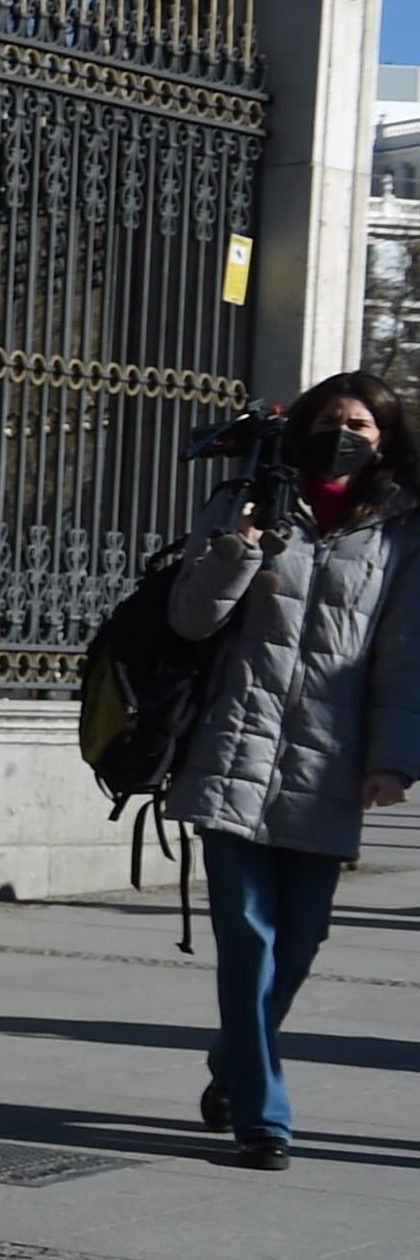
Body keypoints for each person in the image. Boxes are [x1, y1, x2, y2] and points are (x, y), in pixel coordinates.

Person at [160, 370, 420, 1169]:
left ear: (383, 441)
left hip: (330, 767)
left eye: (363, 426)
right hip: (234, 750)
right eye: (332, 419)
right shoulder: (251, 500)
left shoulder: (399, 531)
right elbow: (190, 618)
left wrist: (393, 765)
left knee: (298, 944)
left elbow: (403, 659)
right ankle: (264, 1119)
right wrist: (241, 545)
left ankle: (233, 1063)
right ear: (303, 426)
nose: (344, 435)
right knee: (247, 940)